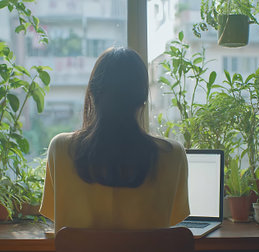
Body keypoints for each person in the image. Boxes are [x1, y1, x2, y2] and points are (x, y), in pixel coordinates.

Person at [39, 47, 189, 232]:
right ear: (143, 99)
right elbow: (173, 218)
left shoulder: (61, 149)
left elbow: (57, 215)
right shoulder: (172, 154)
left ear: (93, 95)